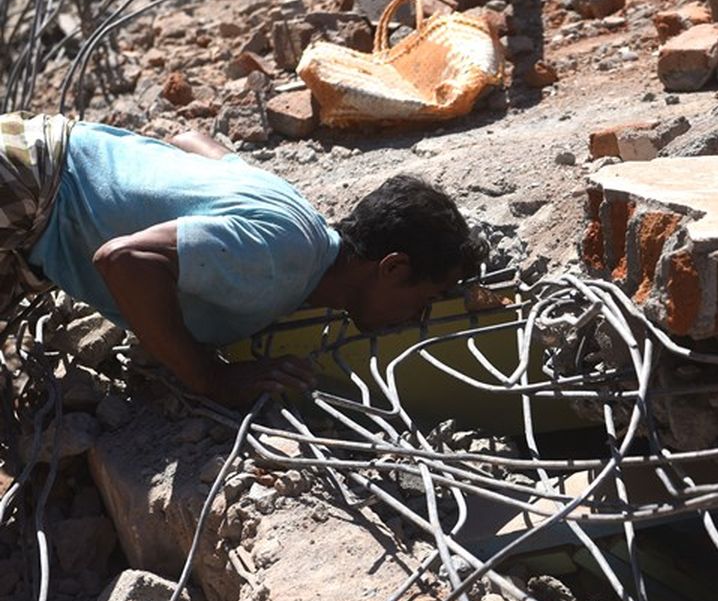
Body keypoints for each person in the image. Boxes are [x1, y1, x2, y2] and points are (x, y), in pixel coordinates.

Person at [0, 112, 487, 406]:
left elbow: (193, 142)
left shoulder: (303, 224)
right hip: (29, 183)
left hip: (38, 194)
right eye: (423, 301)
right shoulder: (281, 259)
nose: (419, 318)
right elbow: (123, 259)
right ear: (393, 267)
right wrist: (208, 376)